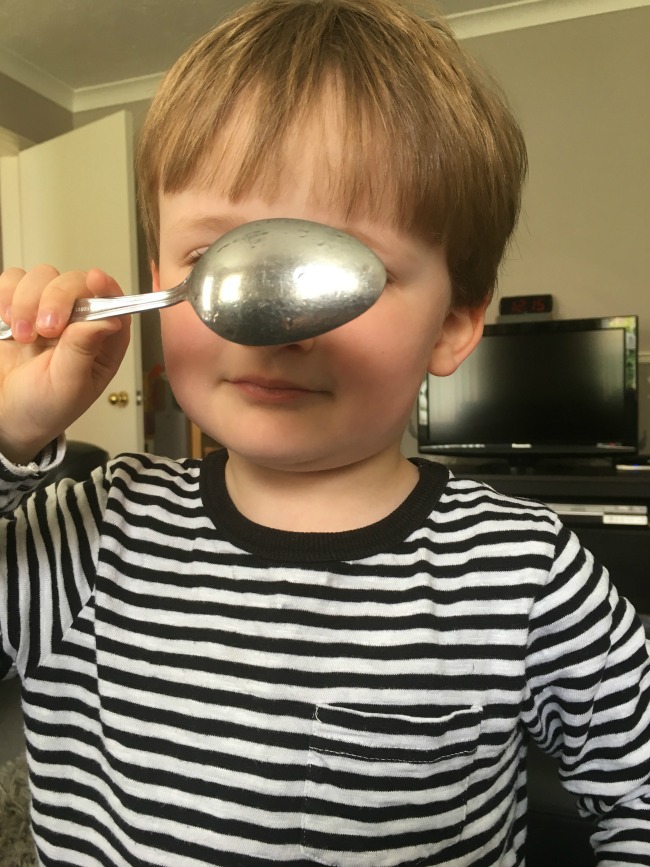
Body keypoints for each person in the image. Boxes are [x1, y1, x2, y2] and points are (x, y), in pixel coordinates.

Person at [0, 0, 649, 864]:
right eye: (217, 256)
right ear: (159, 279)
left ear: (455, 322)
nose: (278, 326)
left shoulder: (524, 573)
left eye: (341, 267)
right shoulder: (87, 532)